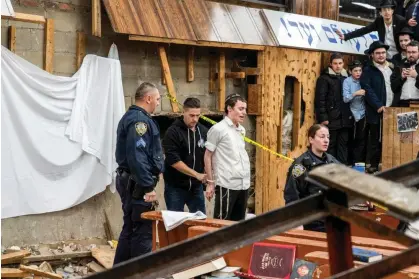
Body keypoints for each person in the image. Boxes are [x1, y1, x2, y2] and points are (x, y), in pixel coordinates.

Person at [113, 82, 164, 264]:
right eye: (157, 99)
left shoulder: (133, 117)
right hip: (137, 185)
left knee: (130, 229)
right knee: (142, 232)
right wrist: (148, 186)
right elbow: (137, 156)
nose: (158, 103)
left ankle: (119, 273)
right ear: (148, 98)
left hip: (132, 181)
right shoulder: (139, 121)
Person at [284, 124, 339, 232]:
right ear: (311, 139)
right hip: (312, 223)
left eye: (328, 137)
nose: (326, 140)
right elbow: (292, 196)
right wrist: (297, 222)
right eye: (322, 137)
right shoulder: (300, 166)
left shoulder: (331, 160)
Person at [204, 94, 250, 221]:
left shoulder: (241, 129)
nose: (244, 112)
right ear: (229, 109)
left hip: (243, 183)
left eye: (245, 109)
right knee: (221, 223)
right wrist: (210, 182)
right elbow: (207, 156)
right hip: (227, 184)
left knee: (239, 224)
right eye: (240, 109)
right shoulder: (218, 129)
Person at [162, 97, 208, 213]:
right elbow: (173, 161)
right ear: (183, 112)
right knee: (175, 224)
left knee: (200, 222)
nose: (195, 119)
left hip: (196, 188)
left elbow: (208, 155)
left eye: (198, 115)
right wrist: (196, 174)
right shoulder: (172, 132)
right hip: (175, 187)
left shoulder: (203, 131)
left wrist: (210, 179)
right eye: (191, 115)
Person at [335, 0, 414, 59]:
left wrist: (408, 23)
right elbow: (364, 30)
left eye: (389, 9)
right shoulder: (379, 21)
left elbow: (409, 35)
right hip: (385, 55)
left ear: (392, 11)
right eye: (384, 10)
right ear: (380, 12)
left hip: (399, 54)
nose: (387, 12)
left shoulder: (400, 20)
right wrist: (346, 36)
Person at [360, 41, 395, 173]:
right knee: (376, 138)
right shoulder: (368, 70)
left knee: (392, 137)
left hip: (393, 108)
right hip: (377, 110)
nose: (381, 55)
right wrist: (378, 105)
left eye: (383, 53)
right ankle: (373, 165)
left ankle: (390, 164)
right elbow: (367, 89)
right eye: (378, 53)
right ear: (372, 55)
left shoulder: (392, 67)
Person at [314, 52, 353, 165]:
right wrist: (323, 118)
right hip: (331, 118)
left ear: (343, 63)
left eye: (340, 63)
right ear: (330, 64)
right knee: (330, 144)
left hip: (345, 118)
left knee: (344, 144)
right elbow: (320, 100)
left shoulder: (347, 78)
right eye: (335, 63)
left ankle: (342, 169)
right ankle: (330, 169)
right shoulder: (324, 79)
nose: (338, 66)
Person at [343, 60, 367, 165]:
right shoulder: (347, 81)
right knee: (351, 138)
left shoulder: (364, 80)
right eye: (355, 71)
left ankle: (359, 162)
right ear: (350, 71)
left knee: (361, 138)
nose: (358, 73)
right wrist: (355, 93)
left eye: (360, 70)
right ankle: (350, 161)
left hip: (363, 112)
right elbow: (345, 98)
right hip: (352, 113)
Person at [391, 41, 419, 107]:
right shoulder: (399, 65)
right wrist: (401, 78)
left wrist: (416, 76)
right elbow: (393, 88)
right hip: (402, 104)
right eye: (409, 52)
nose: (411, 54)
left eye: (414, 52)